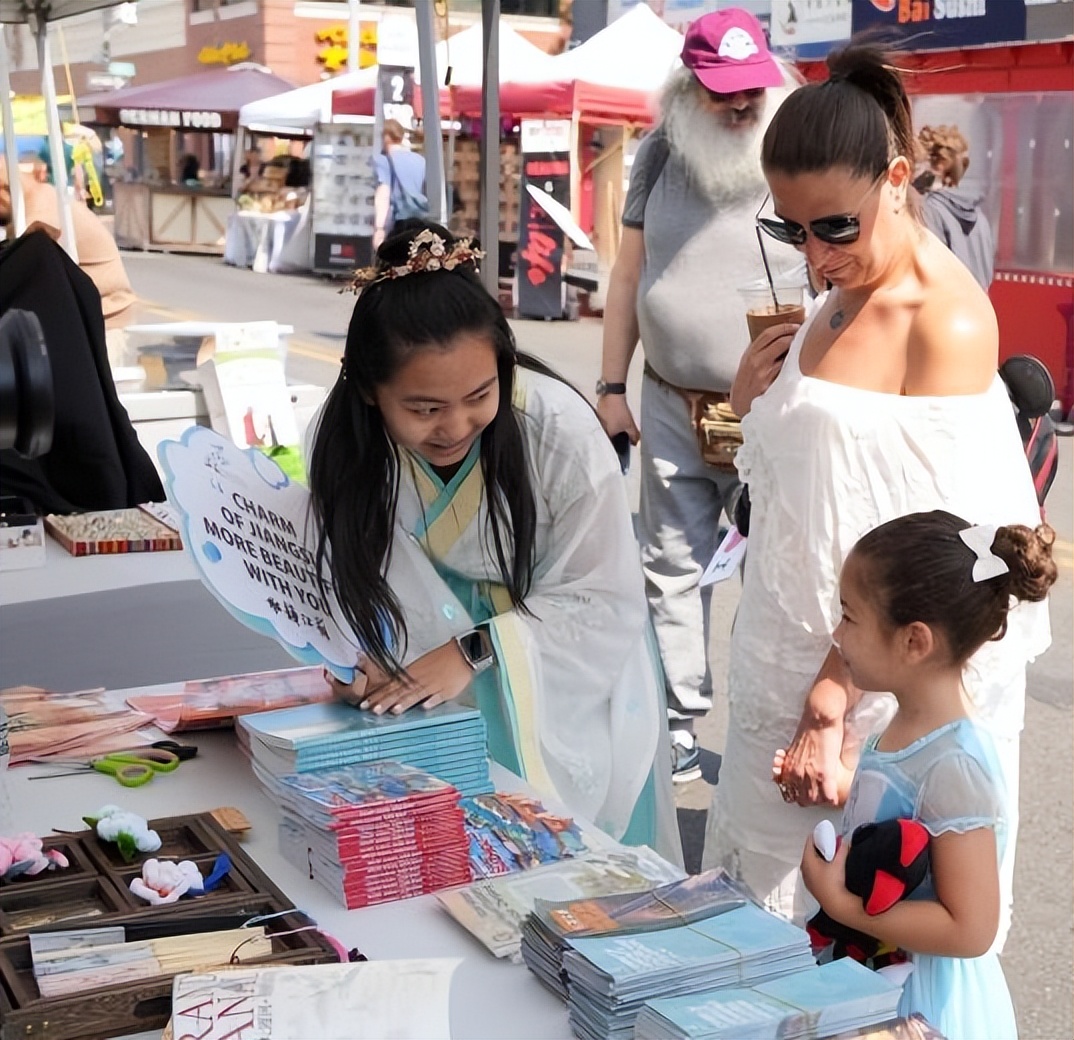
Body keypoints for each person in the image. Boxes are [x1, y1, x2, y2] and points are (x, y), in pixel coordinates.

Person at [701, 43, 1051, 940]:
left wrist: (835, 693)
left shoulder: (948, 319)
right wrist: (754, 403)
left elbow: (935, 541)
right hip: (788, 643)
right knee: (747, 925)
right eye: (790, 230)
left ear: (897, 180)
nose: (815, 256)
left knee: (851, 942)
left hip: (876, 669)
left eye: (834, 227)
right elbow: (804, 483)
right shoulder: (839, 292)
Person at [308, 220, 682, 865]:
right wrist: (353, 659)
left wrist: (482, 646)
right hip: (419, 657)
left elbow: (600, 595)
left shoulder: (556, 426)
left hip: (554, 670)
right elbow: (334, 574)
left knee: (569, 867)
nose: (455, 425)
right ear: (369, 392)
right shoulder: (341, 439)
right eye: (423, 409)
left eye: (480, 395)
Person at [597, 7, 799, 782]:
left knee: (774, 570)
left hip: (772, 405)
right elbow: (626, 277)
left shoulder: (793, 144)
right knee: (670, 565)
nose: (742, 104)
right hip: (669, 399)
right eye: (724, 92)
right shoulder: (656, 155)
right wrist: (611, 386)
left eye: (752, 88)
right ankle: (677, 724)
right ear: (688, 88)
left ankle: (763, 724)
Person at [801, 510, 1056, 1039]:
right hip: (882, 980)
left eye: (849, 617)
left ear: (914, 641)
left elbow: (970, 928)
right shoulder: (908, 729)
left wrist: (841, 904)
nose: (836, 632)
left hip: (926, 1007)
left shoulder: (954, 763)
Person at [0, 158, 136, 333]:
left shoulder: (39, 218)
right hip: (87, 313)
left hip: (106, 316)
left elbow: (17, 274)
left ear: (4, 191)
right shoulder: (41, 199)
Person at [915, 124, 995, 290]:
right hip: (979, 311)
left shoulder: (931, 210)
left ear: (937, 167)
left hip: (946, 311)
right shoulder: (979, 216)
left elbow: (928, 274)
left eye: (917, 164)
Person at [372, 119, 427, 251]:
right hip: (419, 221)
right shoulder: (420, 160)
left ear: (386, 137)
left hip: (396, 224)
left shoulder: (383, 161)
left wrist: (379, 229)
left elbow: (384, 194)